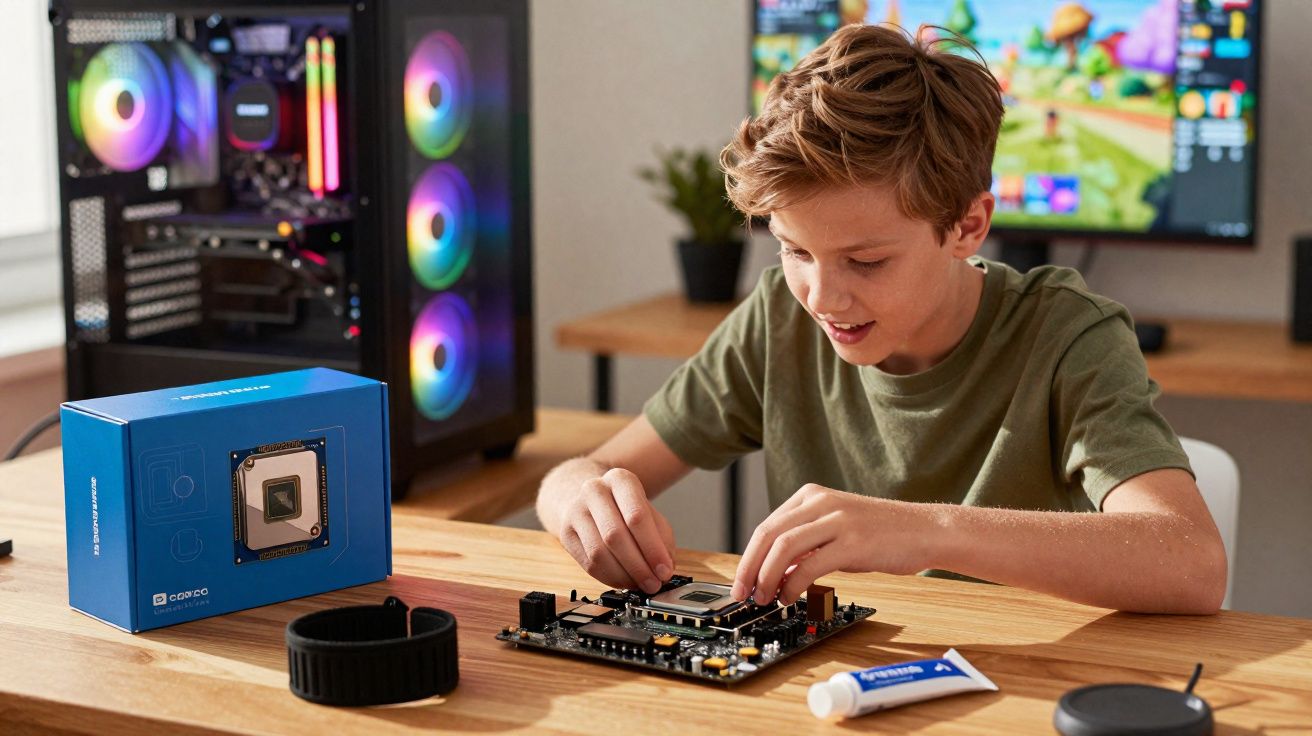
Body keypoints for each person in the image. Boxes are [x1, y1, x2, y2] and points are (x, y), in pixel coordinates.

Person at [534, 24, 1226, 614]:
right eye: (794, 249)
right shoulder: (780, 314)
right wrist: (577, 499)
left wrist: (925, 532)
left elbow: (1192, 560)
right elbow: (584, 471)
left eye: (865, 262)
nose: (823, 296)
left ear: (967, 225)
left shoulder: (1067, 334)